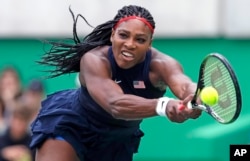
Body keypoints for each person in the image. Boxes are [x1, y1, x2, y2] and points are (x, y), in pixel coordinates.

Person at [30, 5, 202, 161]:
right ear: (113, 35)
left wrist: (194, 98)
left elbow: (185, 85)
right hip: (72, 124)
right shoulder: (94, 59)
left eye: (140, 40)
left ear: (150, 43)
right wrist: (164, 105)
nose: (130, 44)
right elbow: (115, 104)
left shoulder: (162, 64)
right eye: (123, 35)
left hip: (118, 139)